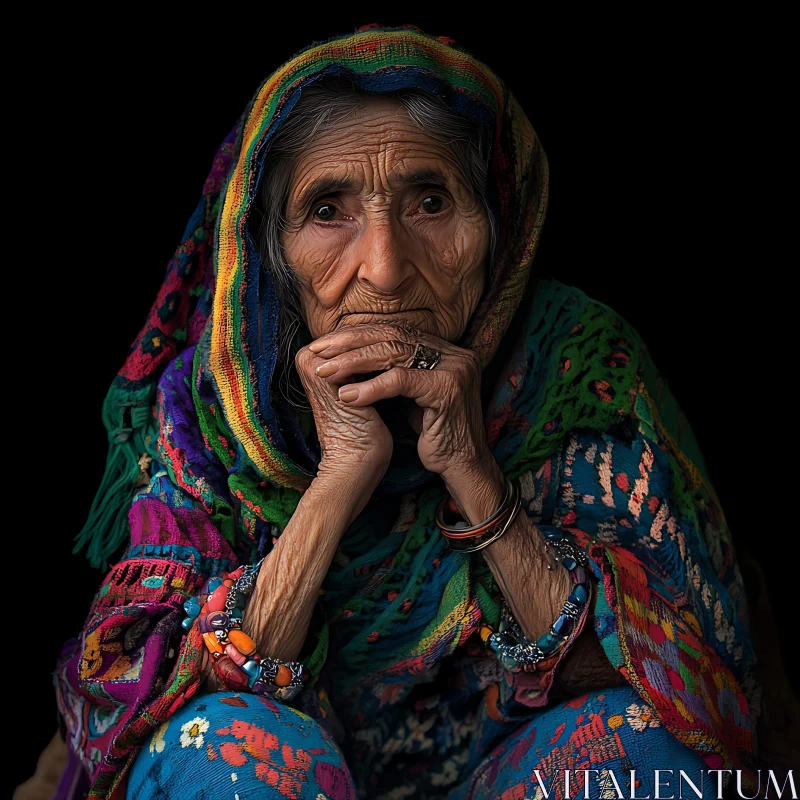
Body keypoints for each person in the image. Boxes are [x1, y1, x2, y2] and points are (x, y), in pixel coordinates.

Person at [20, 23, 770, 800]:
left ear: (497, 227)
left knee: (639, 747)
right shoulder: (209, 410)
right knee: (220, 747)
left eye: (431, 201)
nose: (384, 267)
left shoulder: (576, 369)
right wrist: (341, 477)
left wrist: (474, 472)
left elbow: (694, 693)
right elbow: (140, 699)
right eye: (327, 211)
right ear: (270, 250)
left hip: (510, 777)